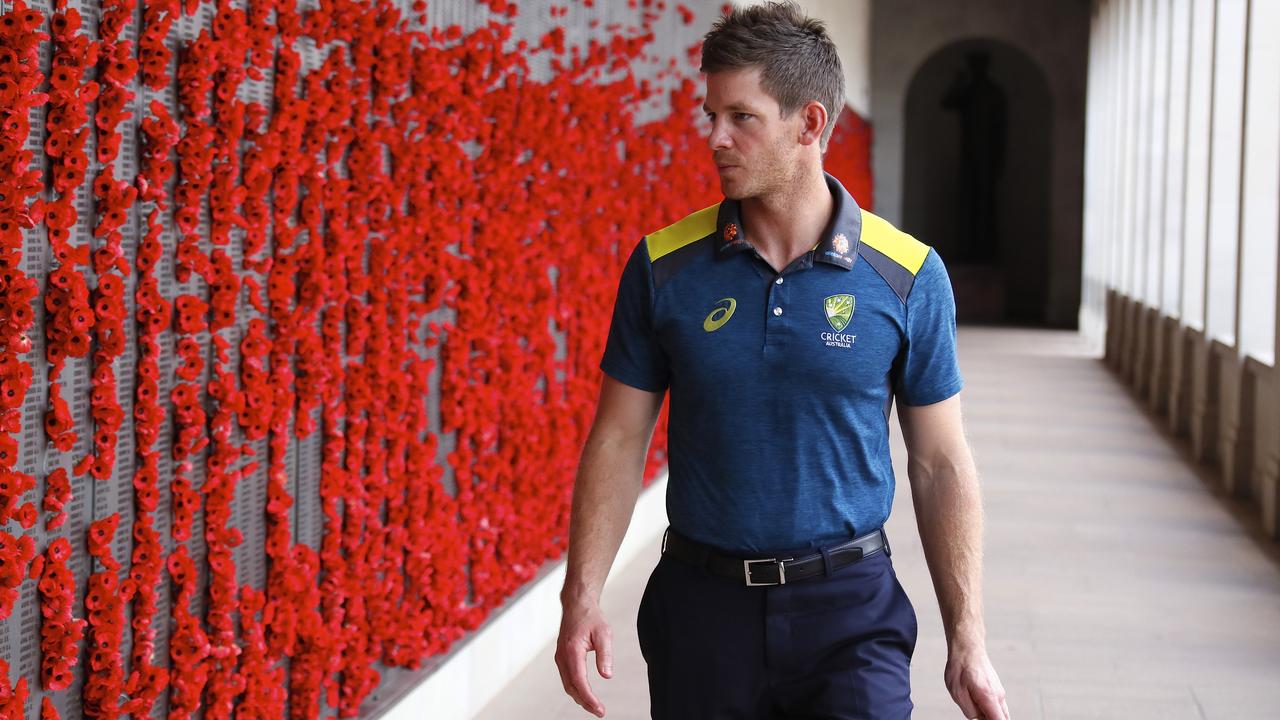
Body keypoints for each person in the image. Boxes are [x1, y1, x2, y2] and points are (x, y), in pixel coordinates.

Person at [554, 3, 1009, 718]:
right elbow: (616, 437)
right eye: (710, 114)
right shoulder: (663, 267)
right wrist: (580, 597)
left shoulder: (909, 274)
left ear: (811, 124)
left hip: (851, 611)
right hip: (701, 611)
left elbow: (940, 462)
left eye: (741, 117)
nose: (715, 137)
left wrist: (968, 638)